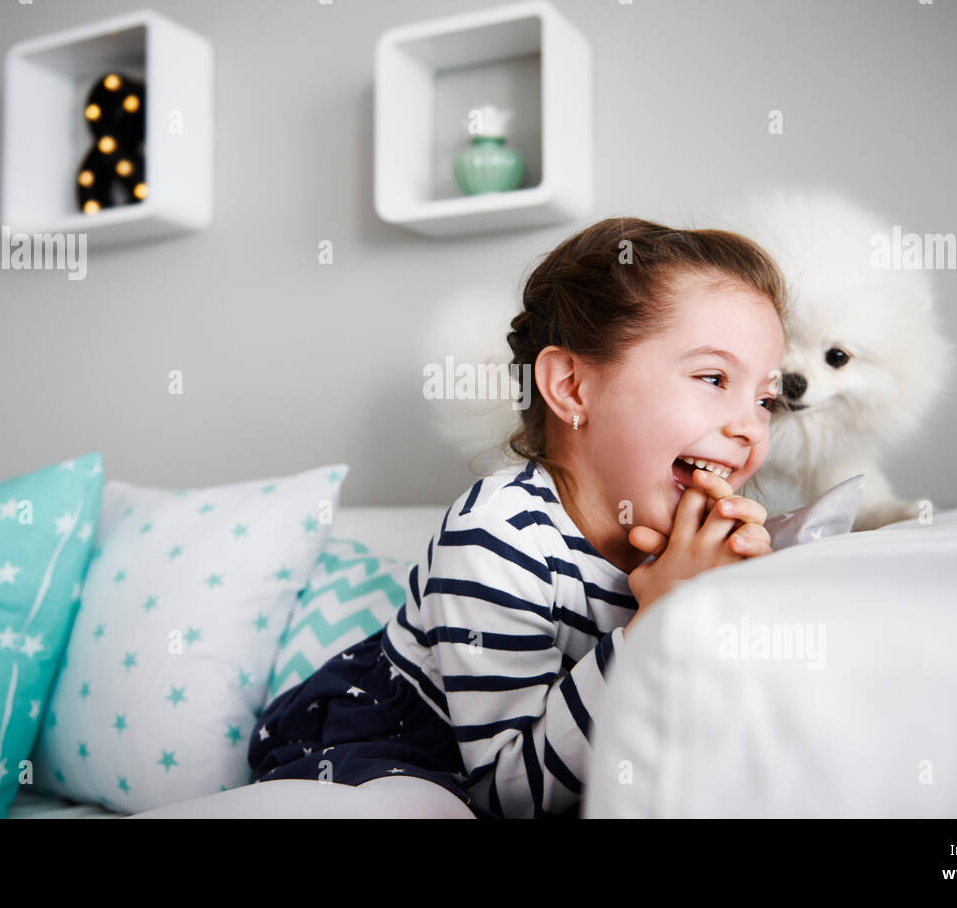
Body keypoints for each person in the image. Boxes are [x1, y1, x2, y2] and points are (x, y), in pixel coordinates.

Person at [244, 217, 787, 818]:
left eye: (766, 399)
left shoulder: (702, 543)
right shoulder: (496, 531)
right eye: (713, 378)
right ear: (573, 387)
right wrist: (656, 623)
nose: (750, 426)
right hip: (382, 758)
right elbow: (510, 796)